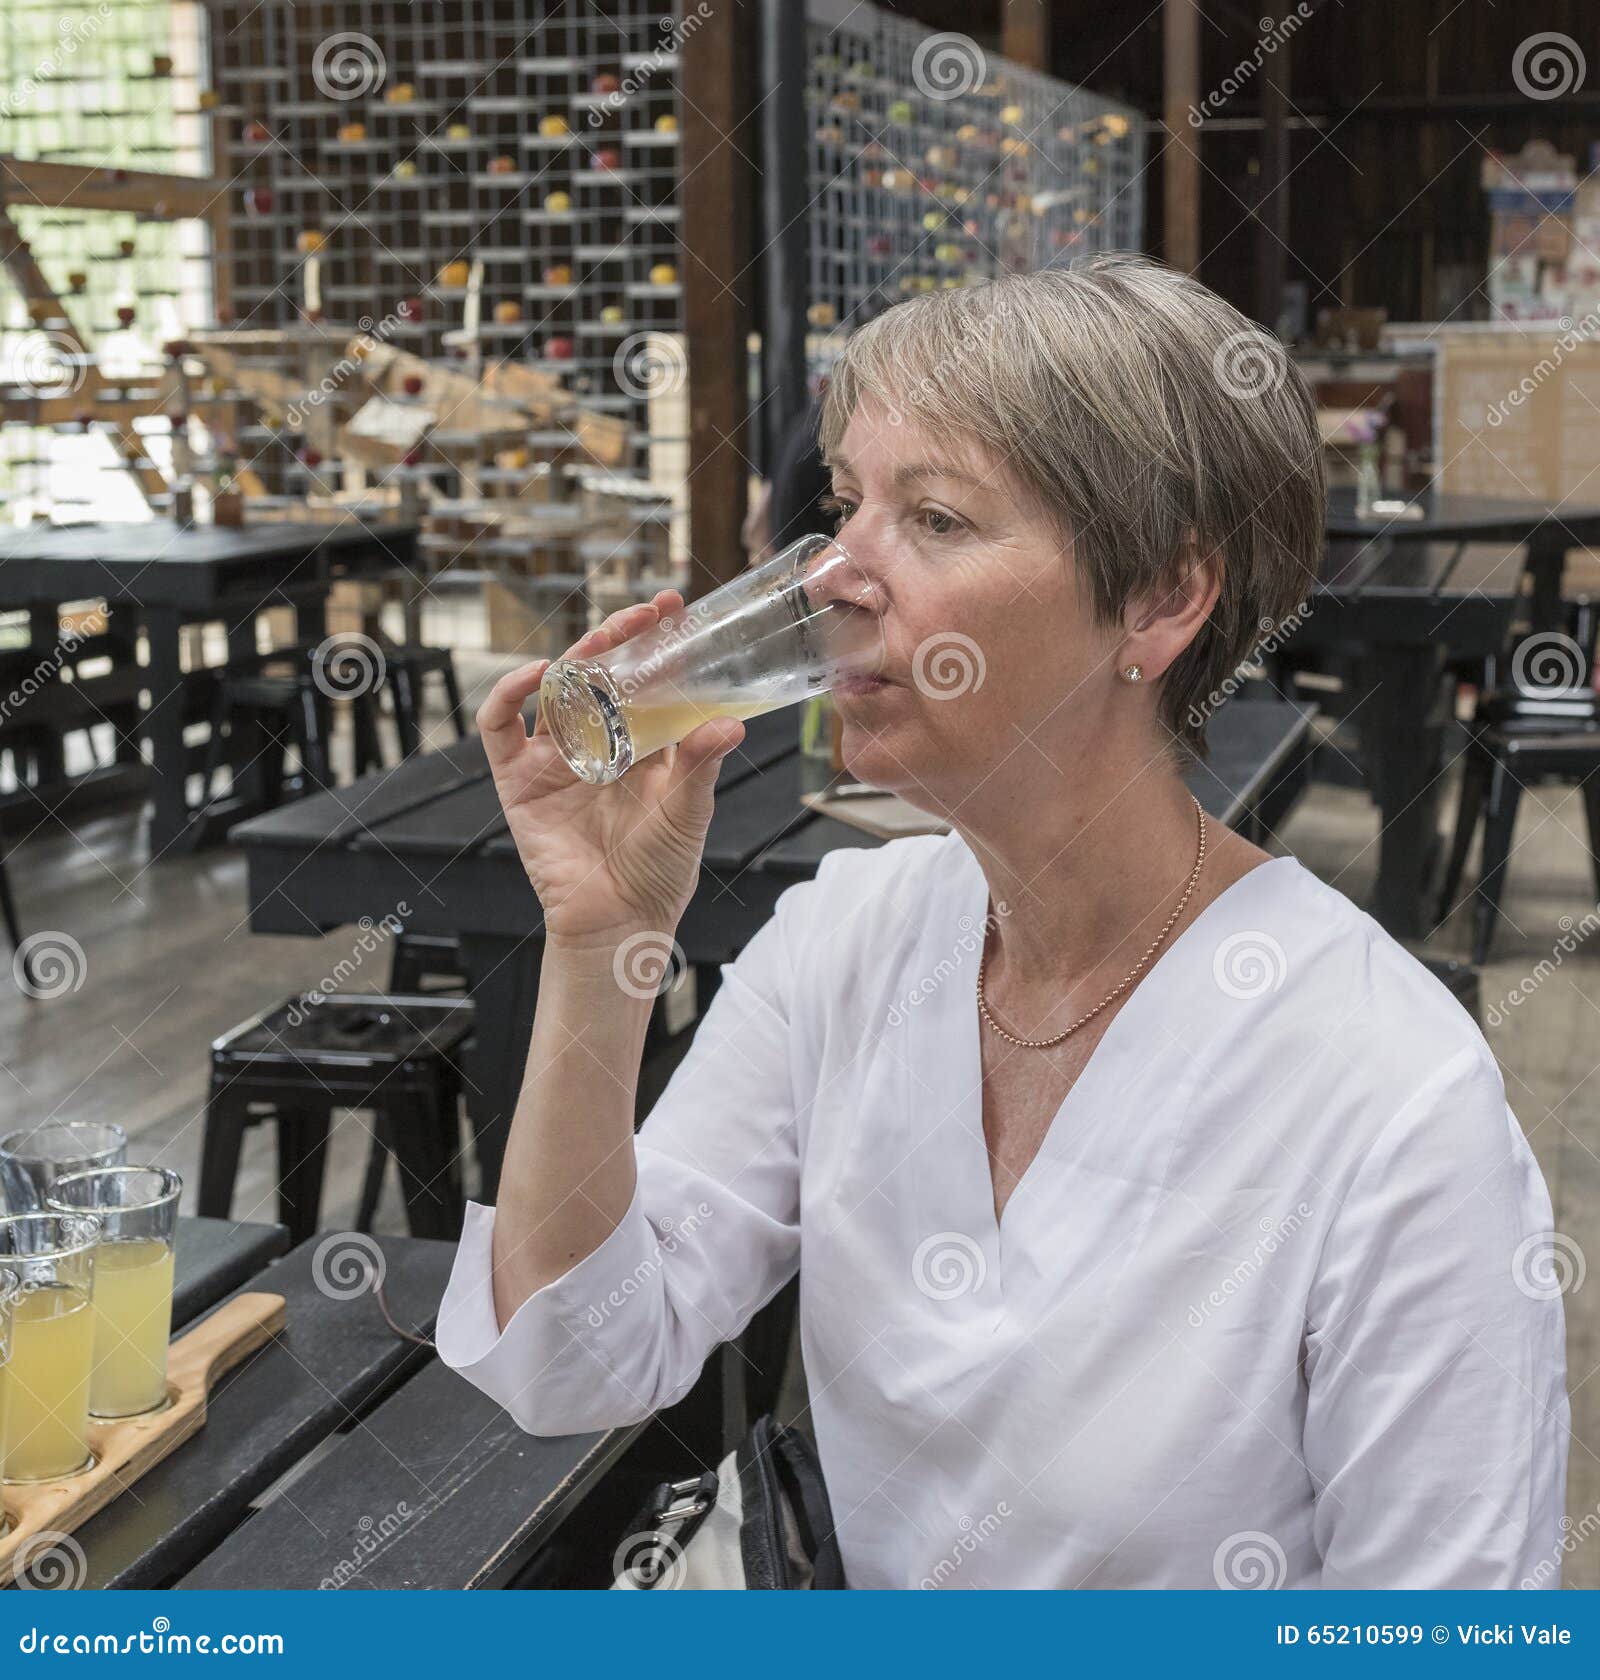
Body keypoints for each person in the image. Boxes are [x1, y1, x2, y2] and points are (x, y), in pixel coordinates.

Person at [437, 255, 1568, 1589]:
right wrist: (599, 942)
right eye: (845, 508)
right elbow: (576, 1360)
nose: (834, 580)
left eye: (934, 519)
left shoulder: (1389, 1097)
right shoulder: (844, 942)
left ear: (1161, 596)